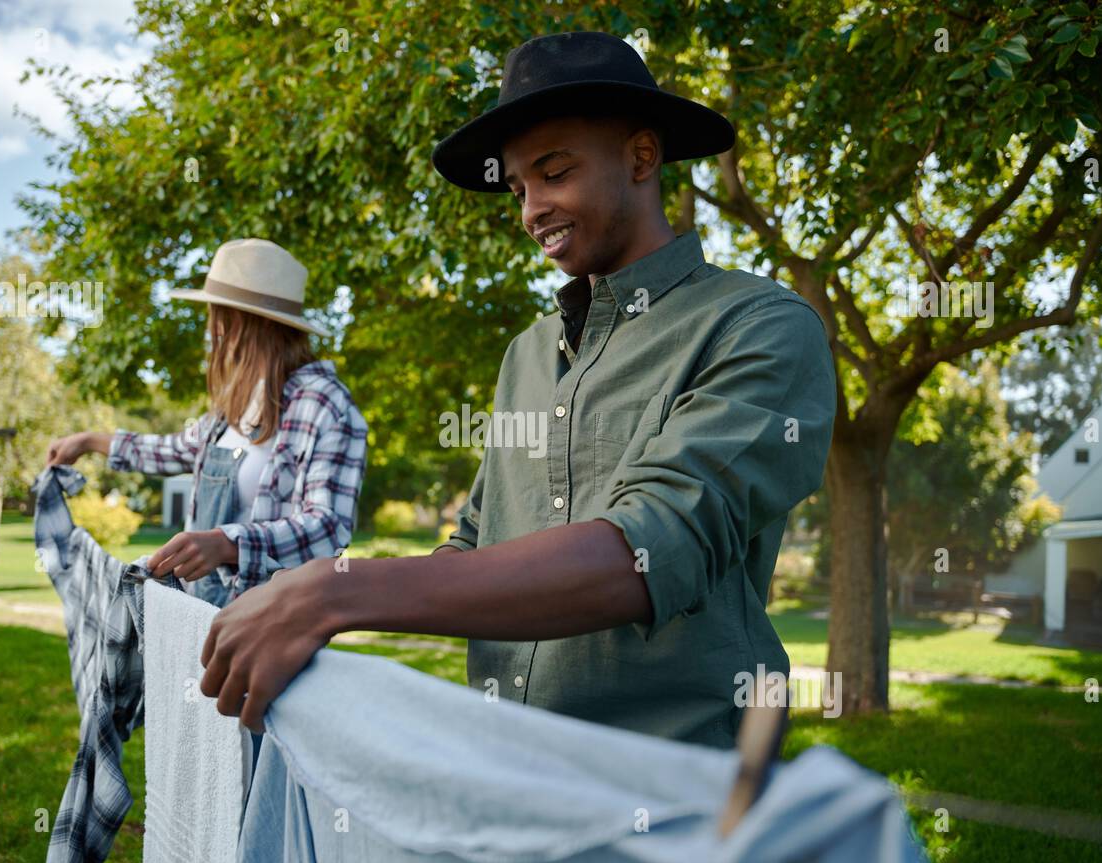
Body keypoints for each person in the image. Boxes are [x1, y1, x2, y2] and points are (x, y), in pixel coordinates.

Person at [195, 32, 837, 749]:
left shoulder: (761, 327)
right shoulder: (526, 354)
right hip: (502, 778)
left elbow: (646, 554)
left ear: (642, 156)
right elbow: (475, 539)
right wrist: (327, 629)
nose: (531, 209)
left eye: (554, 172)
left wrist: (335, 590)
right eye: (519, 188)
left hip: (676, 798)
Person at [45, 238, 368, 608]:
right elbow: (175, 450)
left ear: (239, 322)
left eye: (216, 316)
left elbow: (328, 531)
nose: (211, 331)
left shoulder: (326, 405)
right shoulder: (241, 400)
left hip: (276, 624)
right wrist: (88, 442)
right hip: (203, 616)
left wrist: (227, 544)